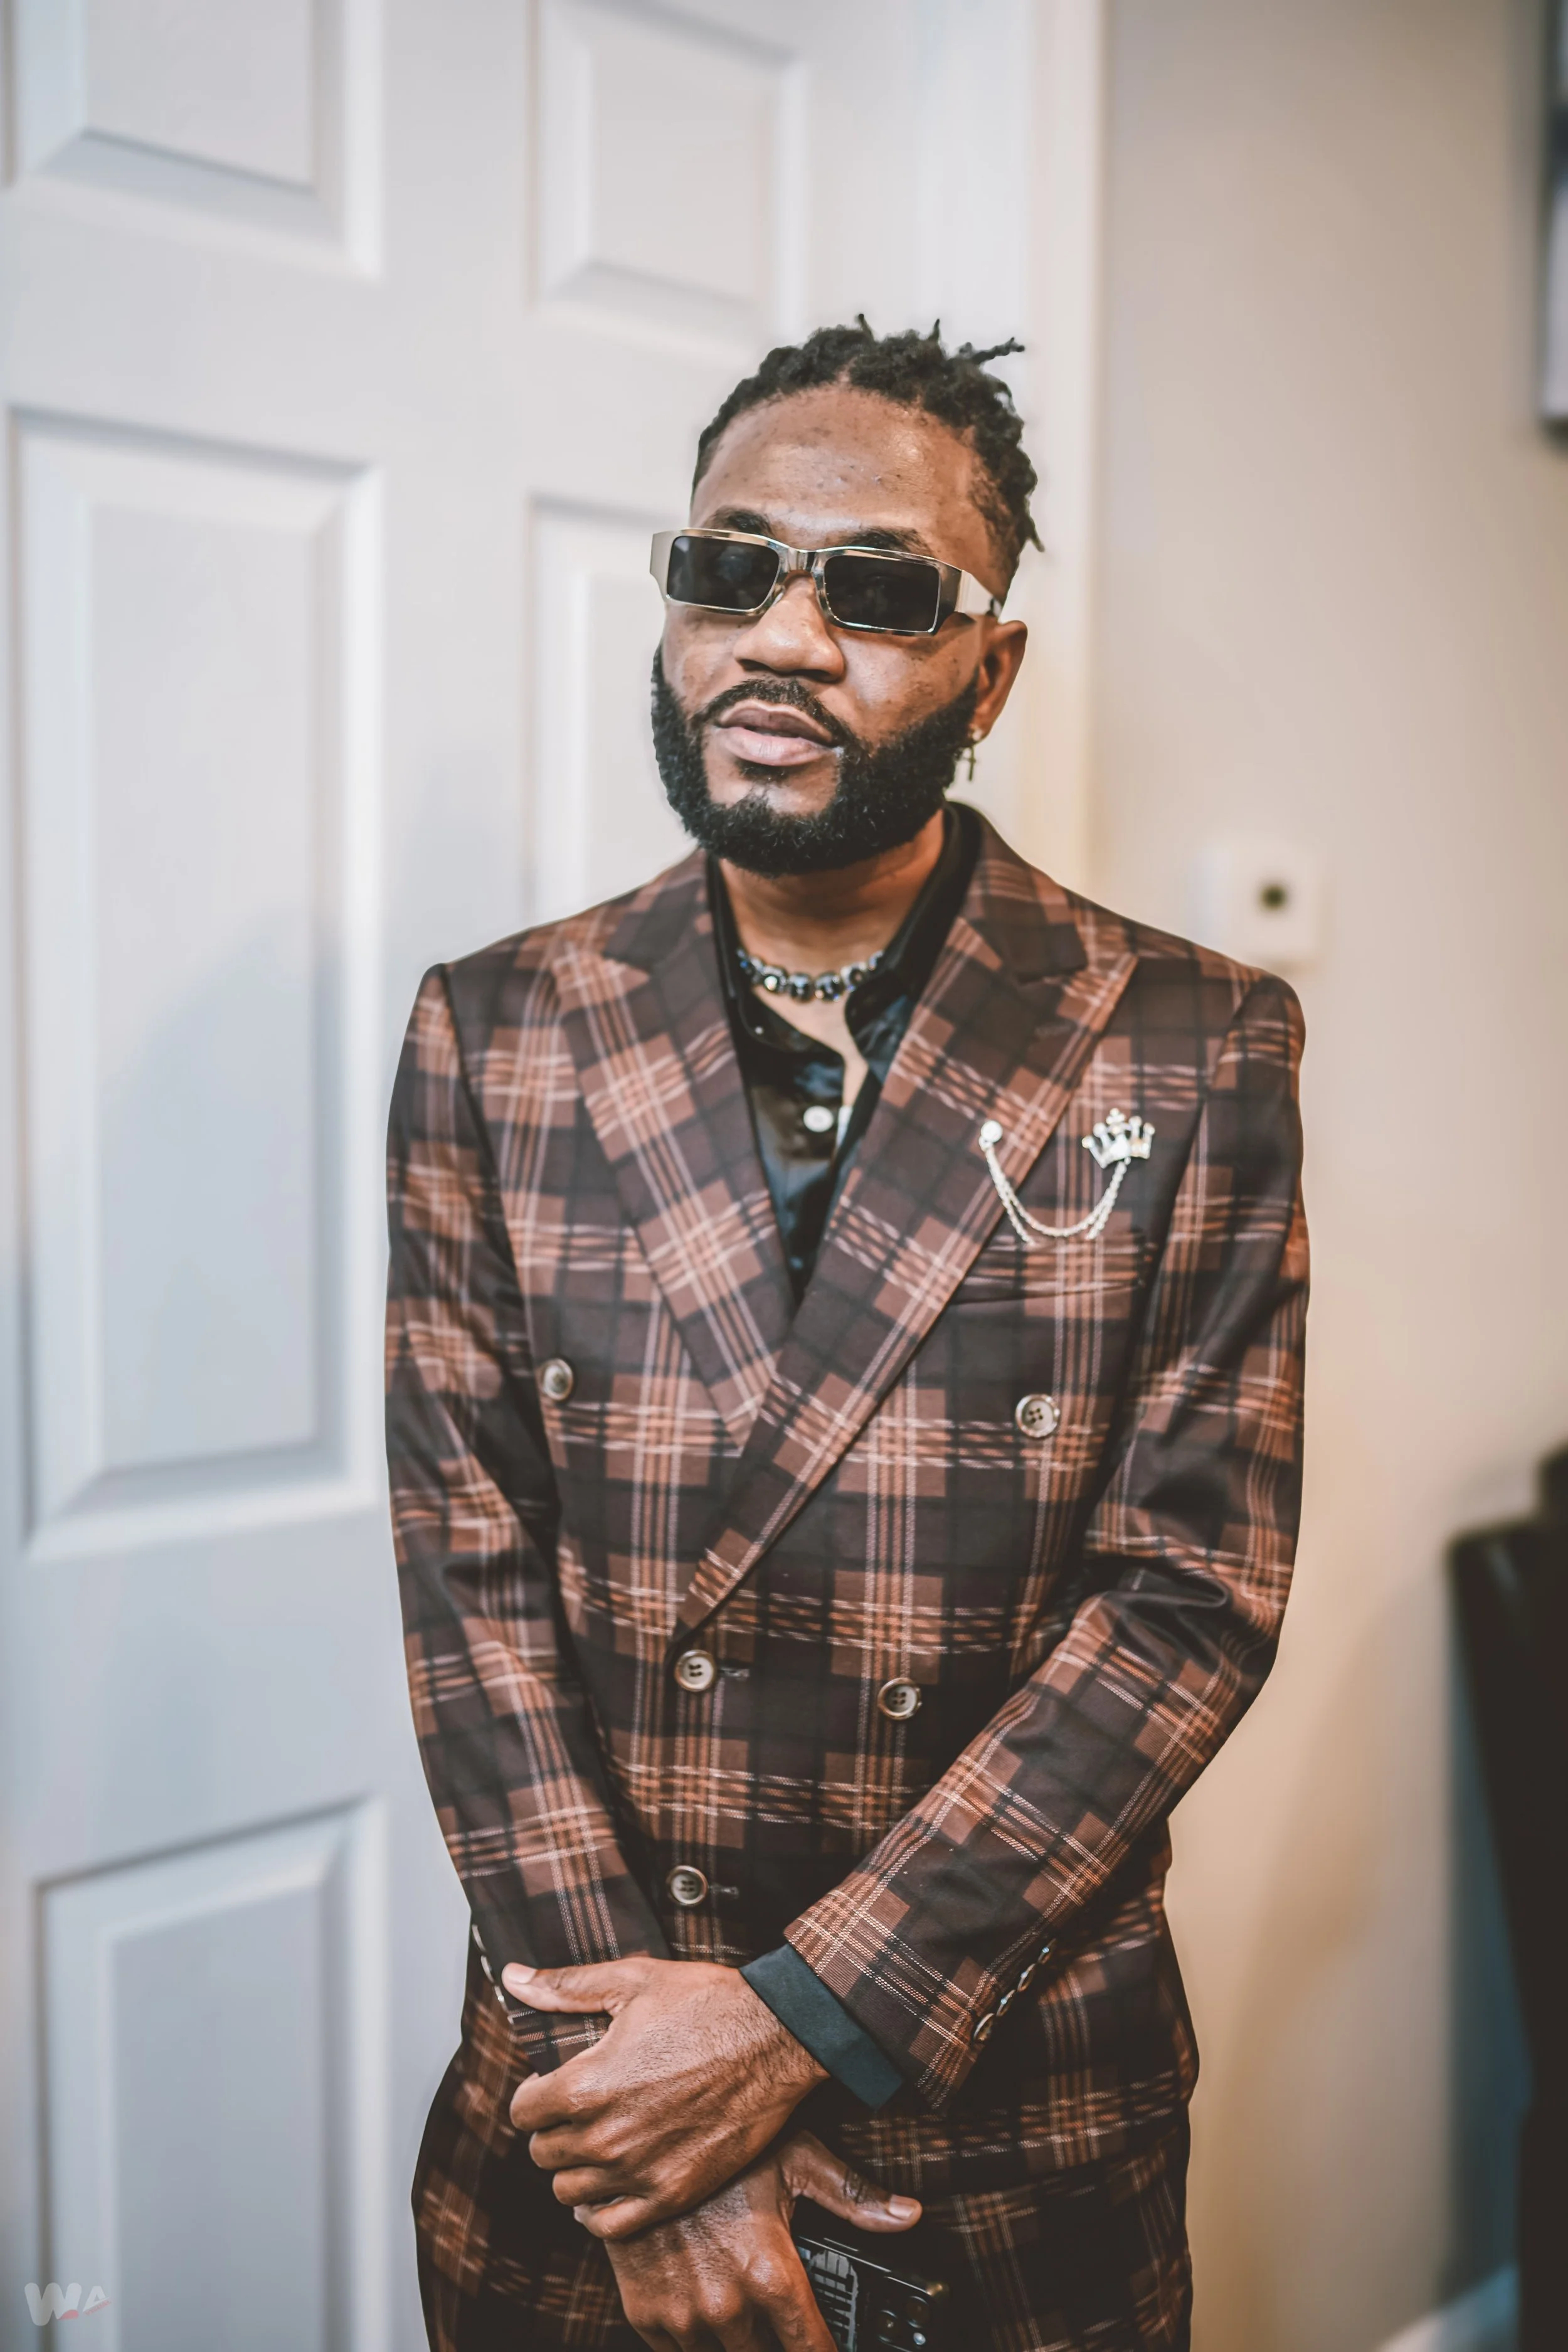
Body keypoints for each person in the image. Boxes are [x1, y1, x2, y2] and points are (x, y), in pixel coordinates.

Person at [386, 322, 1308, 2352]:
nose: (780, 636)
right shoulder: (496, 1029)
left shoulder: (1186, 1039)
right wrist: (656, 2099)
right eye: (729, 570)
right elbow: (467, 1587)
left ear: (986, 671)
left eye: (875, 588)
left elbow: (1187, 1597)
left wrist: (797, 2025)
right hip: (585, 2085)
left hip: (982, 2098)